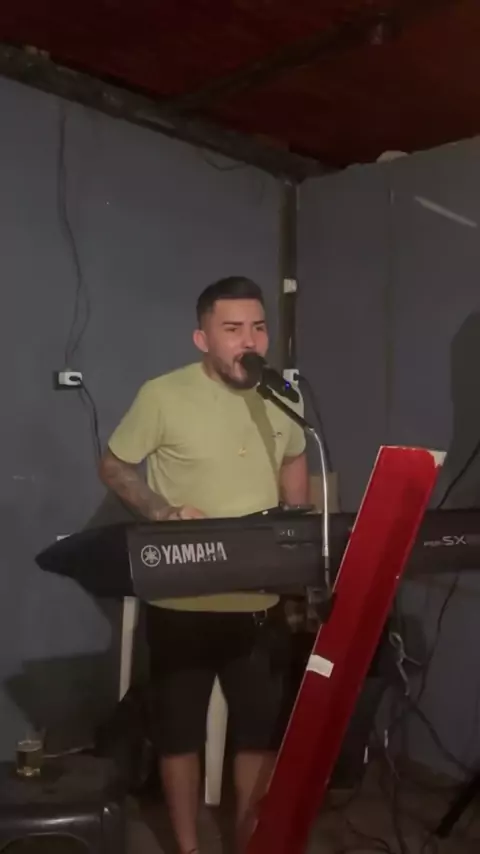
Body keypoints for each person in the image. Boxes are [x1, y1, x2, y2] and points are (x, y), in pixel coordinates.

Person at [98, 276, 309, 853]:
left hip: (260, 600)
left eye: (258, 327)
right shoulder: (162, 395)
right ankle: (189, 847)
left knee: (258, 736)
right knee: (179, 736)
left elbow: (295, 458)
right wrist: (160, 511)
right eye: (233, 329)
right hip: (182, 599)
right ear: (202, 338)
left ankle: (249, 843)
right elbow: (114, 465)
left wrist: (298, 535)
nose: (250, 340)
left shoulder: (282, 395)